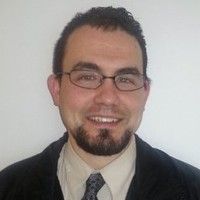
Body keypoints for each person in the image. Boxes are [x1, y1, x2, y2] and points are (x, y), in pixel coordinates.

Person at [0, 6, 200, 200]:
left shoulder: (194, 189)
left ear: (145, 93)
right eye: (87, 77)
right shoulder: (6, 188)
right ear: (56, 89)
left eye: (125, 79)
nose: (108, 97)